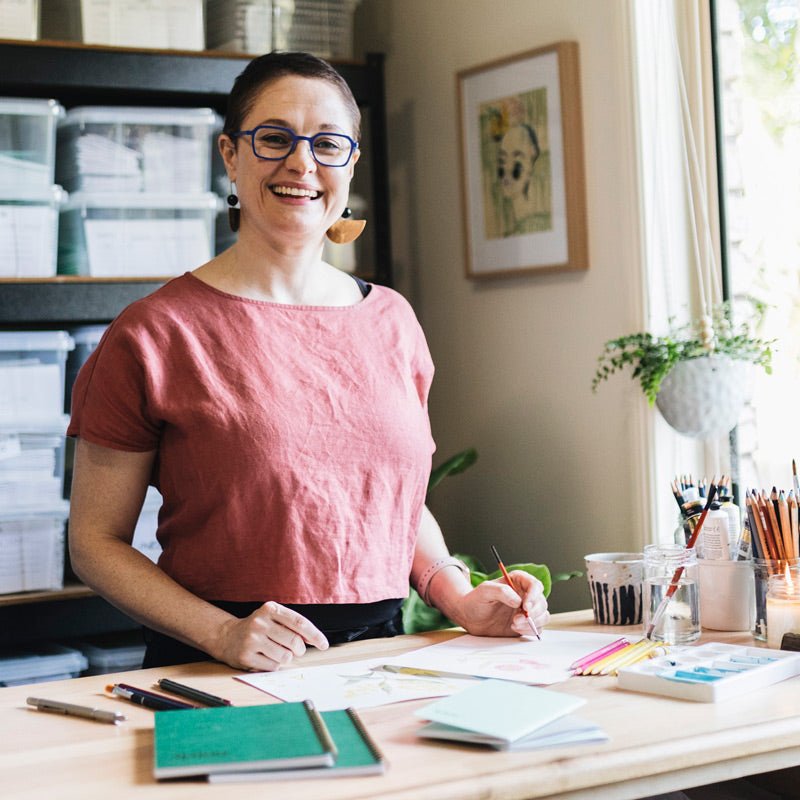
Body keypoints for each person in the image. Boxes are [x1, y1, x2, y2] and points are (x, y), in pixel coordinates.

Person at [67, 51, 549, 672]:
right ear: (230, 157)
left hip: (382, 664)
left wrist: (460, 596)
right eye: (274, 139)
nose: (301, 163)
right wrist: (220, 634)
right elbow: (94, 542)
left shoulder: (392, 320)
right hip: (218, 666)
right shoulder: (155, 332)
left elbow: (393, 500)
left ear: (350, 164)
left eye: (328, 144)